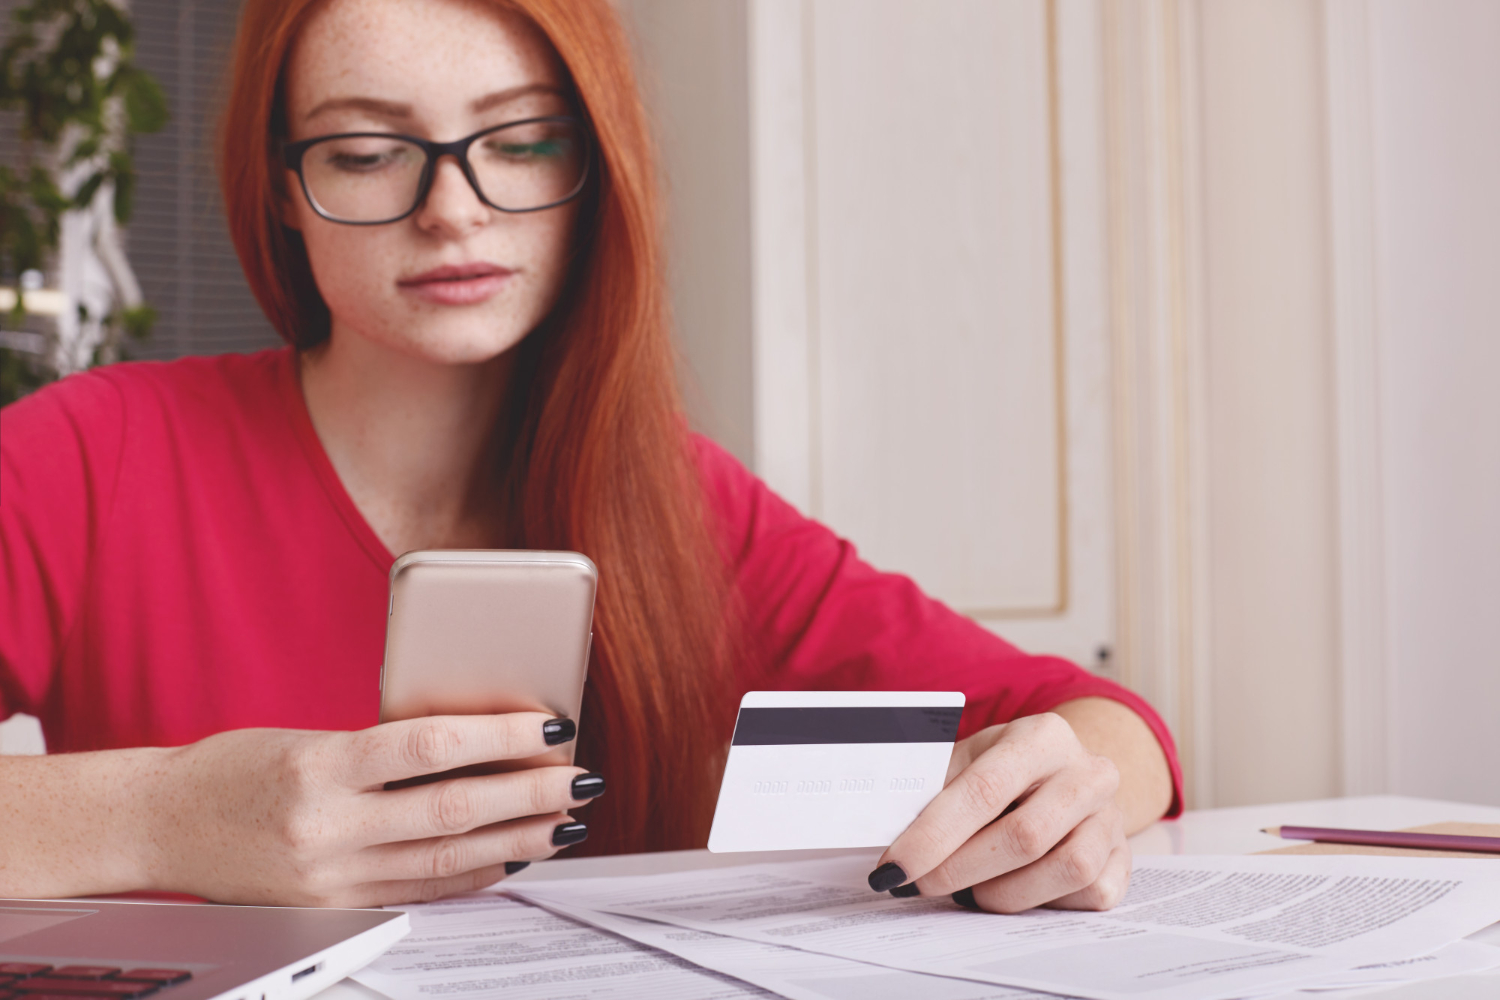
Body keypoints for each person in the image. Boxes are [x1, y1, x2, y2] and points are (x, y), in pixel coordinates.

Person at [0, 0, 1180, 910]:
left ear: (592, 168)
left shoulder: (681, 506)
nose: (453, 210)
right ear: (284, 193)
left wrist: (1069, 794)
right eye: (365, 153)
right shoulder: (87, 456)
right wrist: (163, 816)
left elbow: (1106, 725)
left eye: (518, 142)